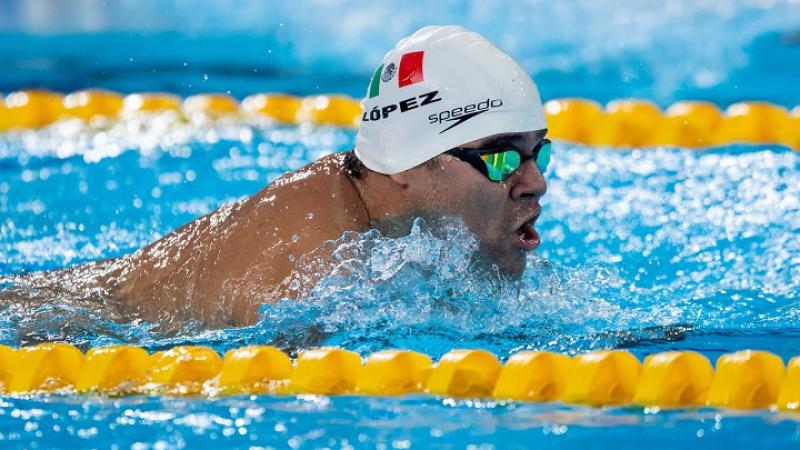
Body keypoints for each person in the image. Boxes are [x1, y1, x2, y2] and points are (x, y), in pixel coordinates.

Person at [10, 25, 551, 332]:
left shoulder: (395, 216)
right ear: (408, 164)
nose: (534, 183)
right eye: (502, 158)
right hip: (49, 326)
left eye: (538, 155)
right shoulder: (308, 268)